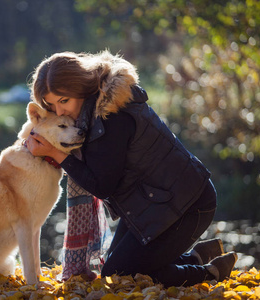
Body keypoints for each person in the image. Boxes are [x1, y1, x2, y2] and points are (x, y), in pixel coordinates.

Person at [24, 50, 238, 287]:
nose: (60, 111)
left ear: (82, 87)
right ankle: (196, 256)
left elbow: (102, 186)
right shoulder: (91, 111)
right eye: (52, 105)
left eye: (64, 101)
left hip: (188, 204)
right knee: (119, 269)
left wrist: (56, 153)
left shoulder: (109, 116)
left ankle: (210, 273)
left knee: (119, 276)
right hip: (152, 202)